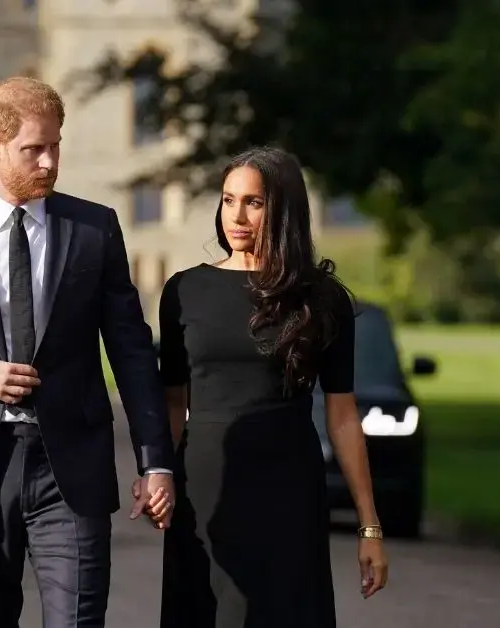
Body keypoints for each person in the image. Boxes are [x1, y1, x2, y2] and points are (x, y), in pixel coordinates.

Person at [0, 76, 177, 628]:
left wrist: (155, 460)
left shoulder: (94, 229)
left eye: (55, 145)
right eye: (33, 149)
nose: (48, 162)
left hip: (71, 470)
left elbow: (132, 350)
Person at [157, 146, 390, 628]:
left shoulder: (321, 299)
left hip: (287, 489)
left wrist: (370, 526)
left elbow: (343, 416)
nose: (236, 216)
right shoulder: (183, 291)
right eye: (227, 200)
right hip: (204, 489)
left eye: (253, 203)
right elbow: (173, 399)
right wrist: (159, 473)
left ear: (283, 209)